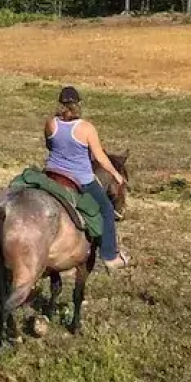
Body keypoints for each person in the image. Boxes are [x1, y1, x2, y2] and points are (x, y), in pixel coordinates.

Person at [44, 86, 128, 270]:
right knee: (106, 209)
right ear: (78, 104)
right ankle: (109, 255)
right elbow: (99, 157)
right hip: (80, 179)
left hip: (52, 174)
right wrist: (115, 174)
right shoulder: (86, 127)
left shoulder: (51, 123)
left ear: (60, 104)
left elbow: (49, 145)